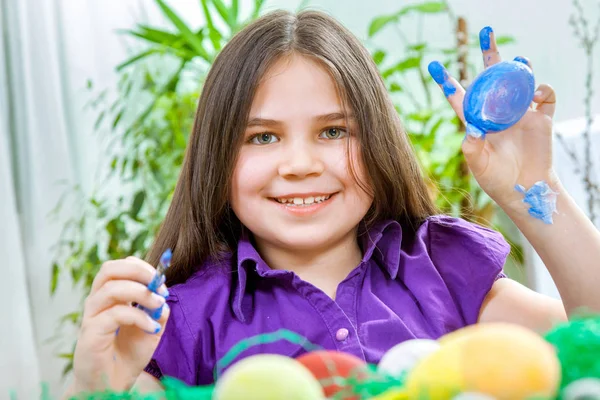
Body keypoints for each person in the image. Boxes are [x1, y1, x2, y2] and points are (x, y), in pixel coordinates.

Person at [64, 9, 600, 396]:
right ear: (216, 160)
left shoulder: (442, 265)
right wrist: (96, 384)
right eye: (262, 137)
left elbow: (590, 344)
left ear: (377, 141)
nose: (299, 164)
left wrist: (533, 189)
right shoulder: (178, 321)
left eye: (333, 131)